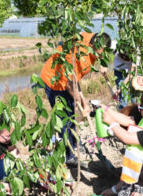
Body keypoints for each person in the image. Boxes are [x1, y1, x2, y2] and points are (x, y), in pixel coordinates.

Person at [39, 32, 111, 164]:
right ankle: (68, 156)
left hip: (68, 79)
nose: (101, 56)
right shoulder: (79, 58)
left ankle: (73, 145)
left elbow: (74, 80)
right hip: (55, 81)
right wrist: (83, 104)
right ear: (92, 46)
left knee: (71, 115)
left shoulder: (91, 38)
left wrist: (103, 62)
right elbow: (71, 86)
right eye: (99, 53)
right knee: (64, 119)